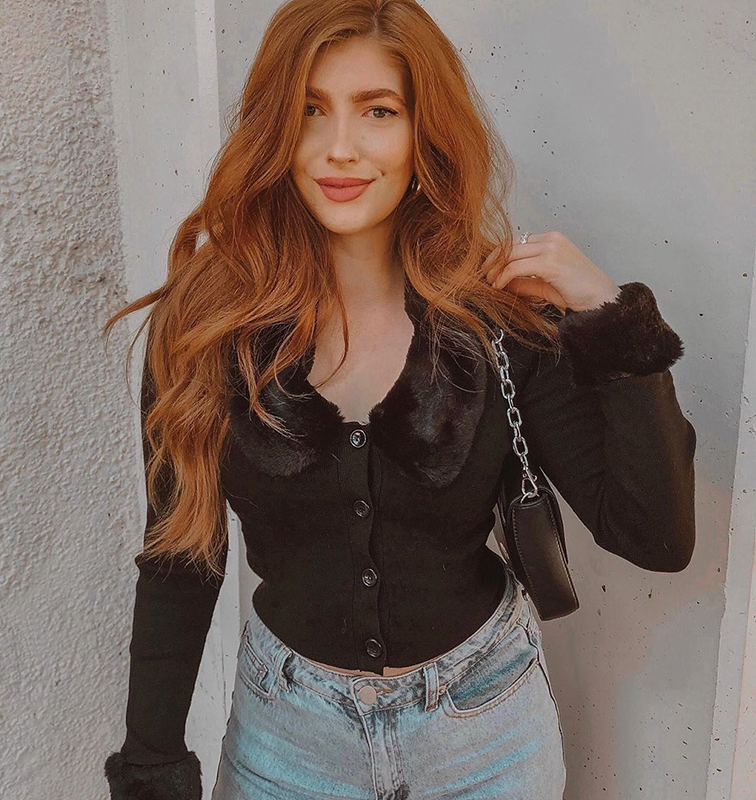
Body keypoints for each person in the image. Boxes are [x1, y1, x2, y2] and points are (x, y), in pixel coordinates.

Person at [101, 1, 697, 798]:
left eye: (377, 111)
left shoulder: (498, 322)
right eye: (310, 110)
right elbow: (180, 556)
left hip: (486, 740)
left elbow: (655, 537)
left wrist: (612, 318)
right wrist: (151, 766)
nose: (339, 146)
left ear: (425, 134)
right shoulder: (208, 326)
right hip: (286, 745)